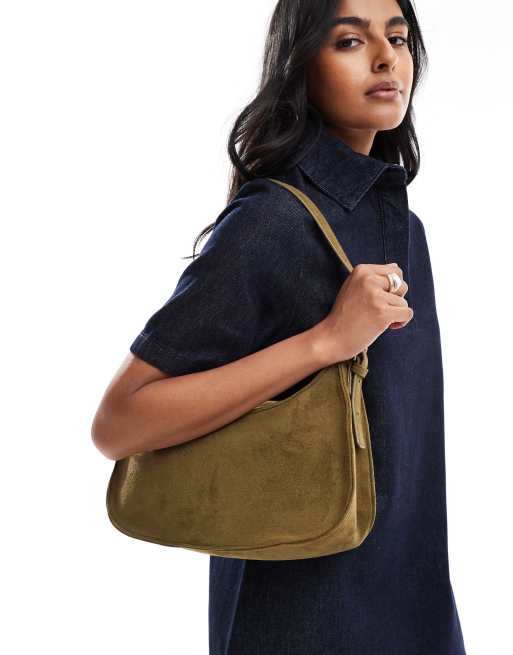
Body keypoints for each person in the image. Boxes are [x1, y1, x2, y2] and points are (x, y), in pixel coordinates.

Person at [91, 0, 467, 653]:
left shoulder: (406, 229)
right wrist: (325, 342)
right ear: (300, 65)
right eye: (350, 41)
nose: (387, 58)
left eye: (400, 38)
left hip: (414, 608)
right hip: (299, 621)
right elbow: (119, 421)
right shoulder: (271, 221)